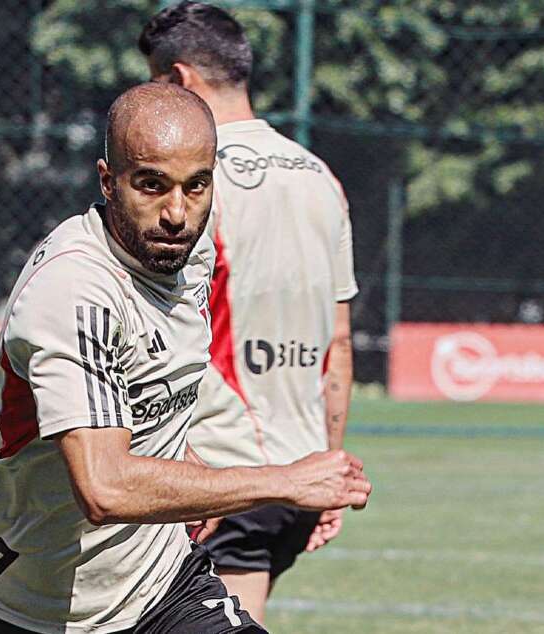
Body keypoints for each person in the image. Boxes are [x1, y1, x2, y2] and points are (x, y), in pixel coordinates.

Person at [0, 82, 370, 634]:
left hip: (161, 585)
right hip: (34, 603)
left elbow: (150, 391)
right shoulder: (76, 290)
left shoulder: (186, 256)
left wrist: (189, 467)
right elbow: (105, 487)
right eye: (152, 185)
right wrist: (283, 481)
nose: (177, 212)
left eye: (197, 187)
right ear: (107, 180)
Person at [139, 2, 361, 623]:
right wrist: (327, 471)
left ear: (179, 81)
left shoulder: (192, 180)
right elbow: (338, 344)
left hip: (224, 468)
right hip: (299, 467)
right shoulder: (322, 178)